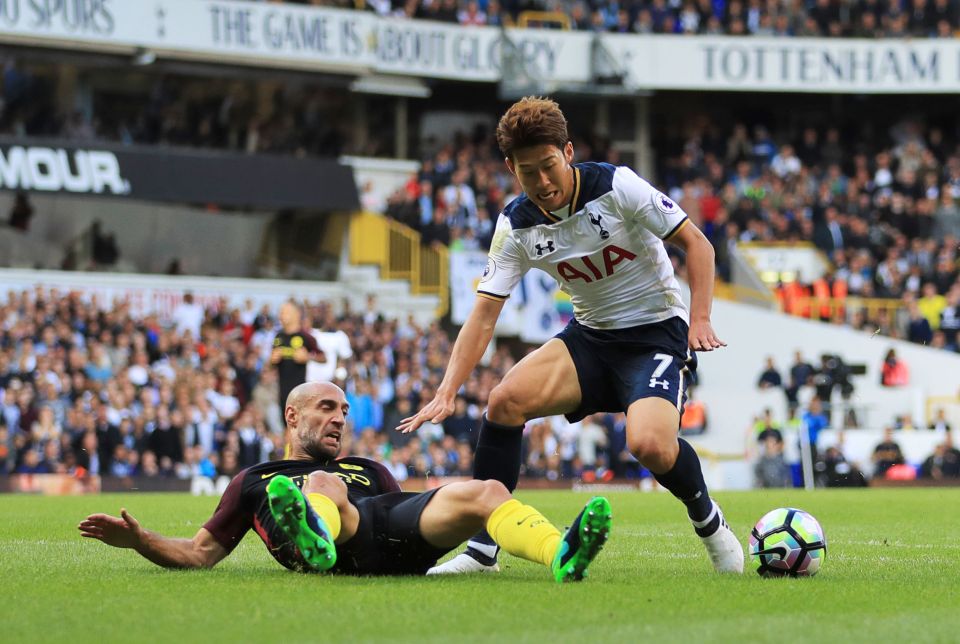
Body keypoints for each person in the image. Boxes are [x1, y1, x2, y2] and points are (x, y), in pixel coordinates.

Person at [397, 96, 742, 575]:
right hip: (590, 339)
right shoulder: (516, 225)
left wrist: (700, 318)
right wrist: (447, 391)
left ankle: (709, 522)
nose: (542, 183)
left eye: (548, 166)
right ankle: (481, 551)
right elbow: (482, 316)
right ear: (509, 168)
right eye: (527, 172)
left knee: (649, 445)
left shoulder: (616, 186)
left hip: (655, 334)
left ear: (569, 152)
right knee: (503, 401)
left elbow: (697, 244)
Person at [78, 382, 611, 582]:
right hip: (340, 540)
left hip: (385, 535)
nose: (340, 418)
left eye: (345, 411)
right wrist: (141, 541)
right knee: (324, 484)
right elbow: (199, 553)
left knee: (487, 492)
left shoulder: (368, 468)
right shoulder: (253, 480)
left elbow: (394, 508)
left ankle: (560, 551)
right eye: (326, 408)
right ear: (292, 417)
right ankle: (314, 533)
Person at [271, 301, 322, 449]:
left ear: (296, 315)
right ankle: (288, 457)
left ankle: (294, 459)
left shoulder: (305, 337)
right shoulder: (278, 336)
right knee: (285, 427)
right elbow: (270, 365)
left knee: (296, 427)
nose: (281, 315)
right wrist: (271, 360)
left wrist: (308, 357)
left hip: (300, 392)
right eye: (281, 312)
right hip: (281, 390)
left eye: (285, 312)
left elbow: (323, 357)